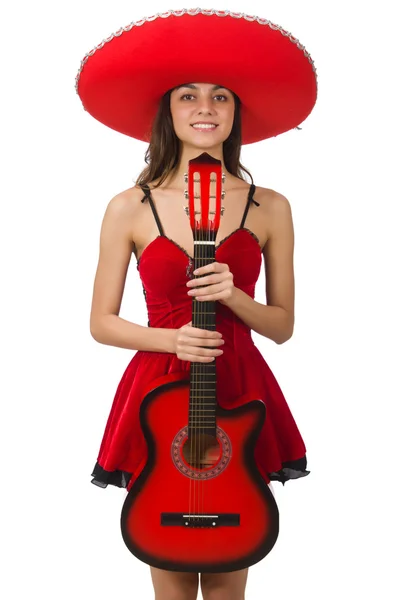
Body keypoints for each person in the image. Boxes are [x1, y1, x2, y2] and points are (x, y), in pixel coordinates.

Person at [76, 8, 317, 600]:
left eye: (220, 98)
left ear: (237, 114)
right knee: (171, 564)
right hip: (158, 389)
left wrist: (235, 295)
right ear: (168, 111)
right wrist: (170, 339)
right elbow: (100, 322)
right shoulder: (128, 206)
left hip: (238, 386)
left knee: (230, 562)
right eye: (188, 96)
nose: (205, 108)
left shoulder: (272, 207)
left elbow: (283, 326)